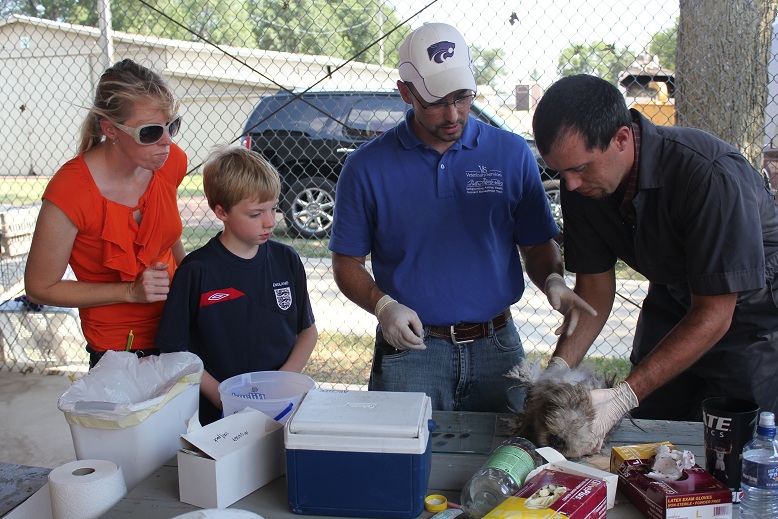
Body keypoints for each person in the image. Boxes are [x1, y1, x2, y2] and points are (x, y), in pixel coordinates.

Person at [328, 23, 595, 412]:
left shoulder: (510, 153)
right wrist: (383, 306)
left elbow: (537, 244)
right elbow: (346, 263)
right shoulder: (366, 167)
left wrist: (551, 277)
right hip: (410, 351)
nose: (453, 114)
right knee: (403, 461)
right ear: (406, 92)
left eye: (463, 96)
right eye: (436, 101)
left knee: (510, 458)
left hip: (498, 345)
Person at [532, 73, 778, 450]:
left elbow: (715, 313)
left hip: (750, 317)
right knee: (646, 438)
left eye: (579, 168)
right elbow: (594, 290)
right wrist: (555, 374)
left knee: (732, 449)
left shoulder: (708, 174)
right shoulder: (582, 185)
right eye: (560, 172)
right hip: (674, 298)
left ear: (622, 139)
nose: (570, 186)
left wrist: (624, 395)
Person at [24, 59, 188, 369]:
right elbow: (40, 287)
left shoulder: (169, 162)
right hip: (119, 348)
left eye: (172, 126)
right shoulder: (72, 191)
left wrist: (191, 277)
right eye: (150, 131)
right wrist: (129, 291)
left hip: (178, 326)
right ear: (110, 129)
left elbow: (167, 235)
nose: (167, 141)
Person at [155, 145, 317, 425]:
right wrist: (223, 398)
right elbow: (174, 352)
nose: (269, 222)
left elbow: (307, 331)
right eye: (255, 214)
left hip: (280, 407)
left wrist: (282, 381)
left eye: (274, 208)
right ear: (221, 212)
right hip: (216, 415)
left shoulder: (286, 260)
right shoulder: (197, 271)